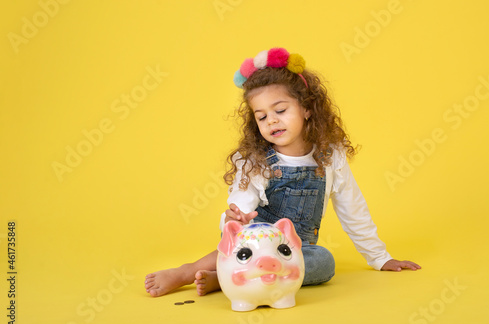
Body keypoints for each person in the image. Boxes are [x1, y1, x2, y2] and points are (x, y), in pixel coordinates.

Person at [144, 47, 421, 297]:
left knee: (323, 262)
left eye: (280, 110)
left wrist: (379, 257)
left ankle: (228, 280)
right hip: (251, 243)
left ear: (307, 109)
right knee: (242, 248)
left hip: (293, 252)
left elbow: (353, 208)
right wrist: (236, 218)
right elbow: (241, 202)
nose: (272, 120)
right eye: (262, 116)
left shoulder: (330, 156)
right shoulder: (255, 159)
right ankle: (186, 271)